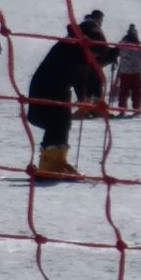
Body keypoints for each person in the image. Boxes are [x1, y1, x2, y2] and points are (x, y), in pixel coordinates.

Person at [26, 20, 116, 176]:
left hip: (57, 95)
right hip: (44, 96)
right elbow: (81, 74)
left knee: (63, 124)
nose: (95, 56)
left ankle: (58, 161)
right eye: (95, 53)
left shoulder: (73, 49)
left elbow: (88, 67)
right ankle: (49, 163)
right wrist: (86, 98)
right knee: (56, 124)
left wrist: (110, 55)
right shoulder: (69, 51)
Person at [116, 24, 141, 115]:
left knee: (123, 91)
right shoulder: (138, 45)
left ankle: (122, 109)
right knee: (136, 91)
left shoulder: (122, 43)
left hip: (124, 71)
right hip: (135, 71)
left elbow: (118, 50)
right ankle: (136, 109)